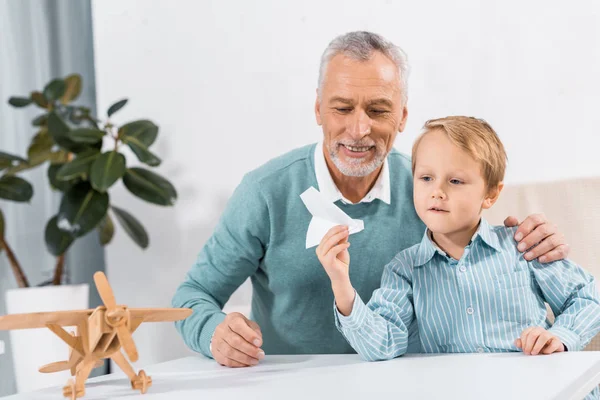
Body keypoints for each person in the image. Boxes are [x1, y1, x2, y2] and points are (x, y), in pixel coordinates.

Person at [172, 31, 571, 368]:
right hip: (291, 383)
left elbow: (483, 272)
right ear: (317, 109)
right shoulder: (264, 193)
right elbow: (193, 296)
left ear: (402, 116)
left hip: (407, 380)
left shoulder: (429, 188)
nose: (359, 129)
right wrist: (213, 334)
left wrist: (534, 245)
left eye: (378, 110)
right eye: (342, 108)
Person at [317, 116, 600, 398]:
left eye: (455, 181)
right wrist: (342, 284)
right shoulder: (405, 269)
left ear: (490, 194)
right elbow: (381, 345)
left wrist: (560, 337)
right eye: (426, 178)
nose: (437, 192)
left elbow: (588, 297)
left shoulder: (522, 245)